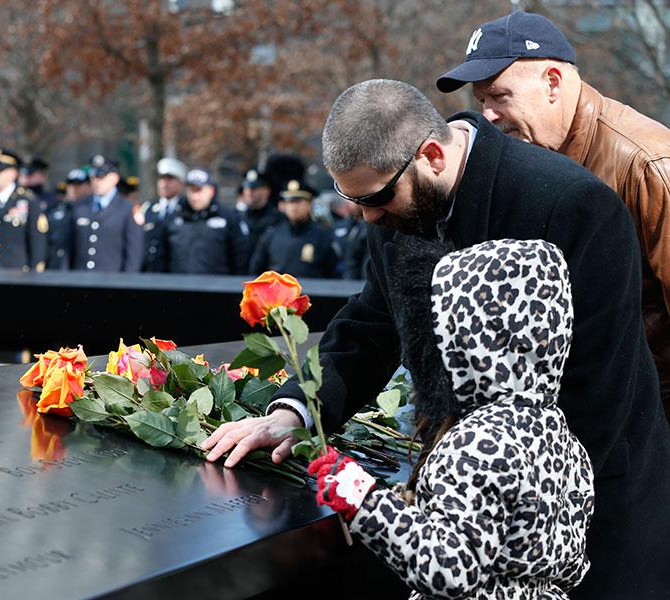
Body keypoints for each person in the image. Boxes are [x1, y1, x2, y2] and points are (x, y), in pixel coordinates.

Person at [201, 80, 670, 599]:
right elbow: (370, 325)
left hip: (588, 512)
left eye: (377, 198)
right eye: (352, 200)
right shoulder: (398, 198)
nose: (370, 218)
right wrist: (294, 411)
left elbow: (599, 387)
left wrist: (486, 511)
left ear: (430, 155)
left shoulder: (572, 204)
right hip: (468, 507)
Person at [310, 238, 594, 598]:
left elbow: (449, 570)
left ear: (469, 340)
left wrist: (363, 499)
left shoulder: (478, 441)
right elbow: (573, 564)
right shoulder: (562, 437)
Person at [437, 10, 670, 419]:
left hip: (646, 421)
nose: (487, 114)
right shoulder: (521, 161)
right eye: (482, 101)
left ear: (552, 83)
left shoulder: (648, 163)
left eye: (500, 96)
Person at [159, 168, 251, 275]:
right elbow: (161, 256)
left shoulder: (228, 218)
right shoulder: (173, 218)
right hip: (178, 287)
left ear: (211, 191)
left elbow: (241, 257)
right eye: (191, 190)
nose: (195, 196)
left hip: (218, 287)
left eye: (199, 190)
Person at [249, 180, 338, 278]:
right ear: (284, 205)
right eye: (290, 202)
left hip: (311, 292)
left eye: (298, 202)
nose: (294, 207)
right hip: (278, 292)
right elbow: (256, 268)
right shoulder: (272, 234)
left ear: (309, 205)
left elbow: (333, 272)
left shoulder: (322, 236)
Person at [69, 155, 143, 272]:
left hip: (112, 282)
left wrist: (128, 283)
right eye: (93, 176)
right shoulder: (79, 207)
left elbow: (133, 253)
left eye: (101, 176)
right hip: (81, 281)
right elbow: (69, 248)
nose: (96, 181)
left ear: (115, 178)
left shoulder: (126, 209)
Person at [138, 157, 186, 272]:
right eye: (161, 179)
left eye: (170, 179)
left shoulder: (186, 209)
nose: (164, 183)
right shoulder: (148, 208)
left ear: (181, 183)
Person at [238, 168, 284, 248]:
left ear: (267, 191)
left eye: (254, 188)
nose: (249, 192)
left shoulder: (278, 219)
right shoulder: (237, 217)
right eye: (246, 188)